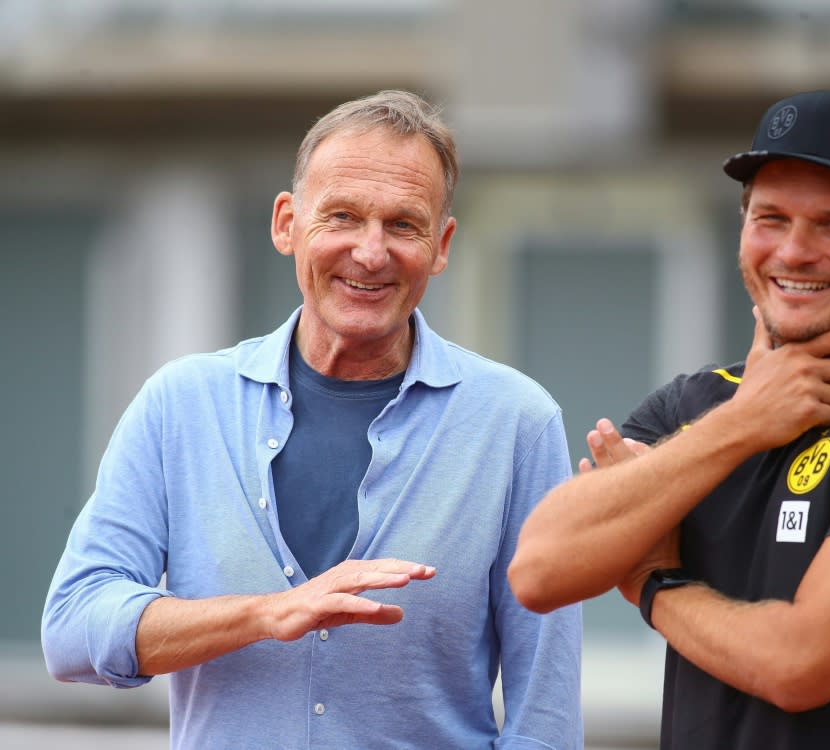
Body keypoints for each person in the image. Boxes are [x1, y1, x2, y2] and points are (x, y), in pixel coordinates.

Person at [42, 90, 583, 749]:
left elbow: (545, 722)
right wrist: (266, 614)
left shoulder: (516, 425)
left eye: (404, 225)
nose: (372, 252)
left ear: (441, 245)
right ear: (286, 224)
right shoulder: (181, 405)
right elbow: (72, 628)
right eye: (344, 217)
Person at [509, 89, 830, 749]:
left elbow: (801, 664)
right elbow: (539, 571)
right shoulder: (696, 406)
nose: (794, 252)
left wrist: (657, 583)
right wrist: (741, 424)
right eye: (770, 218)